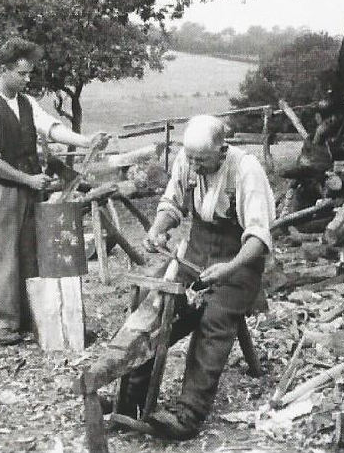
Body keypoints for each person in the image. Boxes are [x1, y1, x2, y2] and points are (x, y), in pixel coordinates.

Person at [118, 114, 275, 439]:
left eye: (202, 161)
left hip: (239, 266)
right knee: (156, 308)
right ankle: (129, 398)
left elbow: (259, 238)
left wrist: (229, 268)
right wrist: (158, 229)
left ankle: (189, 414)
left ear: (222, 149)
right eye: (191, 159)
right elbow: (171, 203)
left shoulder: (245, 169)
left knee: (213, 319)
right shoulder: (187, 160)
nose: (195, 167)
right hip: (193, 258)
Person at [0, 37, 104, 346]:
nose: (28, 79)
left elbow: (51, 128)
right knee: (1, 255)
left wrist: (87, 142)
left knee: (32, 252)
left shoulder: (27, 103)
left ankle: (33, 317)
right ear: (3, 70)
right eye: (22, 74)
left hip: (31, 191)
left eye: (29, 74)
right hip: (2, 191)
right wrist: (27, 180)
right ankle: (2, 323)